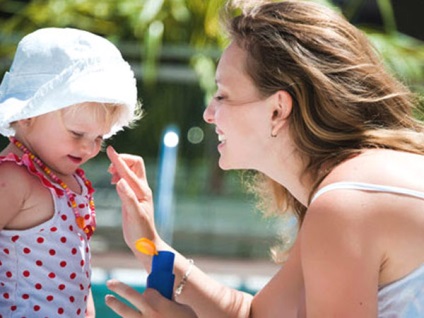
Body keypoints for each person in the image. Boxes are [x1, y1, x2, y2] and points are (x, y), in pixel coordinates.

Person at [104, 0, 424, 317]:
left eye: (222, 95)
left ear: (278, 110)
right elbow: (252, 314)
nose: (208, 113)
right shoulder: (349, 193)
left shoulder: (345, 205)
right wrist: (150, 245)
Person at [0, 27, 141, 317]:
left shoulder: (65, 179)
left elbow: (77, 268)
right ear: (28, 114)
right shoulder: (12, 178)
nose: (89, 148)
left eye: (100, 138)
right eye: (78, 133)